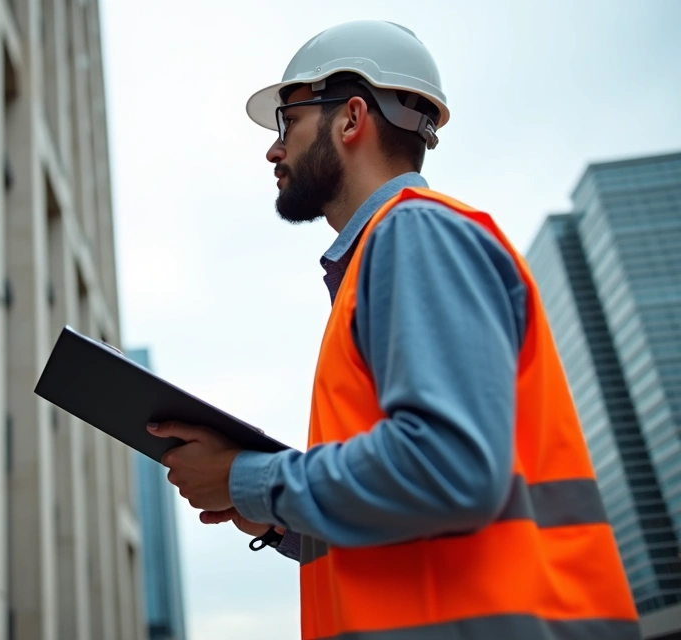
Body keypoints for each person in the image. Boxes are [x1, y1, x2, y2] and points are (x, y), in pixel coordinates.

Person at [149, 19, 641, 640]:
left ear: (351, 119)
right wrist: (282, 519)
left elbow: (450, 469)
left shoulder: (413, 235)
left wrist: (245, 478)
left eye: (288, 122)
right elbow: (425, 507)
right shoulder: (387, 255)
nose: (274, 150)